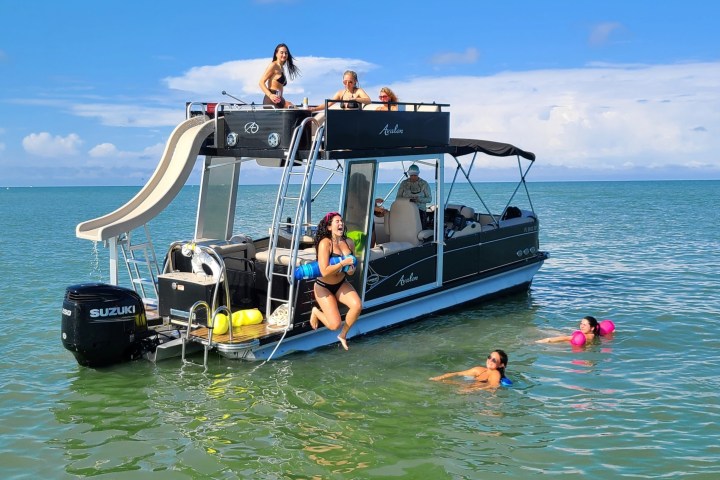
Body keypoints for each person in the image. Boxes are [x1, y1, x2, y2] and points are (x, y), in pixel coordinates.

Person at [309, 212, 362, 350]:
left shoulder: (349, 242)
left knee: (357, 306)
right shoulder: (325, 243)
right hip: (323, 286)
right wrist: (342, 263)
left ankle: (343, 335)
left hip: (341, 283)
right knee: (334, 325)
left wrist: (350, 270)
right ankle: (315, 311)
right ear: (329, 227)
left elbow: (352, 269)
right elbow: (324, 270)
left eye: (341, 221)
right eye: (337, 222)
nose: (341, 224)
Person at [430, 349, 509, 389]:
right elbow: (457, 373)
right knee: (445, 382)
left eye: (494, 360)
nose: (489, 360)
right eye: (489, 357)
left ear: (501, 365)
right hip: (470, 387)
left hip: (479, 393)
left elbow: (494, 386)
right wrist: (439, 377)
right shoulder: (479, 370)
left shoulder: (495, 373)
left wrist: (472, 390)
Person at [259, 43, 300, 108]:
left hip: (279, 99)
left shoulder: (282, 68)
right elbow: (261, 82)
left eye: (286, 53)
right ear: (276, 54)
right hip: (272, 99)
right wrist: (270, 95)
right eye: (281, 52)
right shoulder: (273, 65)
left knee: (294, 108)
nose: (284, 55)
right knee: (293, 108)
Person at [396, 164, 432, 228]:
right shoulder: (404, 183)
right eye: (411, 175)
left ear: (418, 174)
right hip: (406, 210)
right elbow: (398, 198)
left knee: (420, 230)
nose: (413, 177)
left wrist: (419, 199)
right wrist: (408, 200)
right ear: (409, 174)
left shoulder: (424, 184)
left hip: (420, 211)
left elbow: (429, 199)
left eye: (415, 175)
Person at [536, 315, 600, 343]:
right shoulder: (594, 334)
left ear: (592, 328)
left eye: (584, 325)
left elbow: (565, 338)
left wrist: (547, 340)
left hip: (570, 344)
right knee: (556, 332)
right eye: (581, 323)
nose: (581, 326)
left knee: (556, 335)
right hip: (576, 340)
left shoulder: (586, 336)